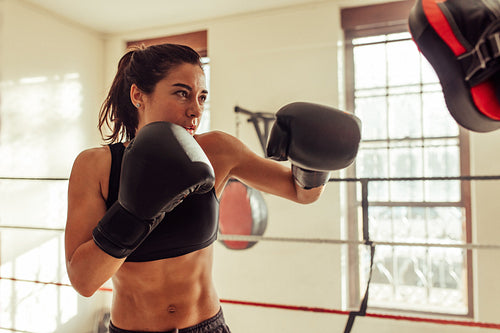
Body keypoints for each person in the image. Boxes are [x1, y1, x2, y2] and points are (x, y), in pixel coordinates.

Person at [65, 43, 360, 333]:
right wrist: (134, 214)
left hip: (207, 327)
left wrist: (314, 159)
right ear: (138, 95)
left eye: (202, 97)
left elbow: (302, 192)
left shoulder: (217, 151)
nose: (195, 110)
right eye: (182, 93)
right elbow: (84, 282)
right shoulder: (96, 165)